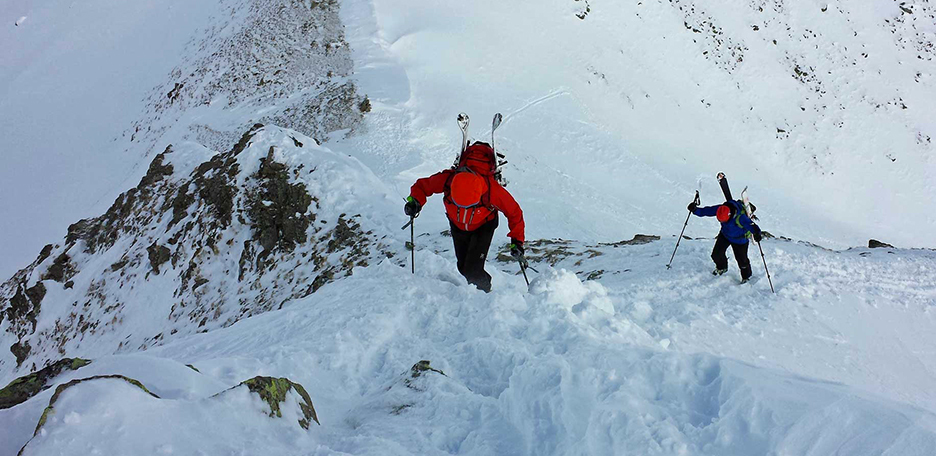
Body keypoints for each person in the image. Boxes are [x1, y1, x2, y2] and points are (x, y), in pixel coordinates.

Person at [405, 141, 525, 292]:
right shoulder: (448, 179)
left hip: (484, 226)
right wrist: (414, 201)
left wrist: (517, 242)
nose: (463, 208)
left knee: (472, 270)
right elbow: (422, 186)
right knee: (463, 267)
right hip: (457, 225)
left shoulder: (491, 190)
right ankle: (479, 292)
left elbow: (514, 212)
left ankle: (485, 295)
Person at [688, 199, 762, 283]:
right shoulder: (721, 209)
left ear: (729, 215)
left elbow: (752, 226)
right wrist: (695, 210)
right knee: (716, 255)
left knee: (742, 261)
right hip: (725, 235)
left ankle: (746, 277)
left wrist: (757, 233)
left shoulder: (741, 218)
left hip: (740, 240)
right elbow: (707, 211)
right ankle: (722, 267)